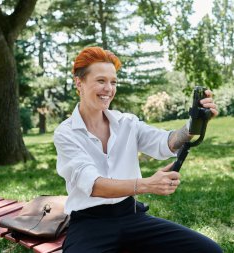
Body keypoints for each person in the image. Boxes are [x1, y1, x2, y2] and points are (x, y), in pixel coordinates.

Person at [53, 46, 222, 253]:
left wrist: (193, 124)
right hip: (90, 224)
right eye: (101, 81)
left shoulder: (127, 123)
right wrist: (146, 184)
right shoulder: (66, 133)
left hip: (132, 216)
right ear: (79, 83)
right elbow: (94, 185)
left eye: (113, 82)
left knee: (208, 251)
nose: (109, 88)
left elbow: (165, 142)